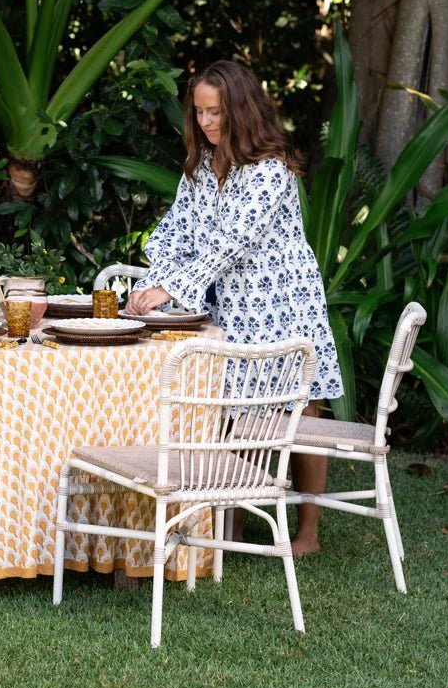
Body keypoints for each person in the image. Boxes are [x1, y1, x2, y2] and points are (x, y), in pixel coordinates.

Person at [124, 60, 343, 555]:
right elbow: (176, 232)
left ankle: (307, 530)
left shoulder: (270, 169)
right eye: (199, 112)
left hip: (284, 300)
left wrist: (171, 290)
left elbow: (231, 241)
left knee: (303, 407)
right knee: (232, 404)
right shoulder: (200, 167)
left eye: (215, 112)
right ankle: (232, 519)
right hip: (233, 304)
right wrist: (155, 281)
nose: (205, 122)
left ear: (241, 109)